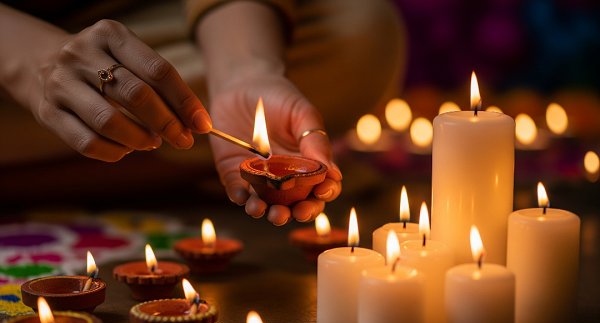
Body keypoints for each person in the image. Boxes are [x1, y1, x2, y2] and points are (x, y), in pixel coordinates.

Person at [0, 0, 405, 225]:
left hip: (146, 20)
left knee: (359, 28)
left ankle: (53, 169)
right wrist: (34, 62)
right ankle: (160, 174)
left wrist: (245, 67)